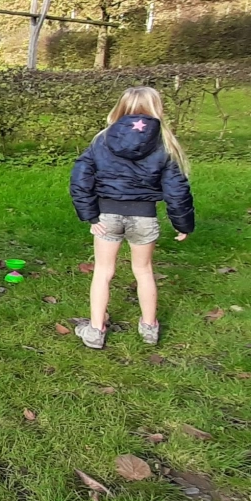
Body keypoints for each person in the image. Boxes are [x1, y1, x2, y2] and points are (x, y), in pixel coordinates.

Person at [69, 86, 195, 349]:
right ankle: (149, 329)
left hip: (107, 215)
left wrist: (91, 215)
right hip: (144, 217)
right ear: (156, 108)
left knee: (103, 272)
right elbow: (176, 188)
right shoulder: (165, 142)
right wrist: (182, 223)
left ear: (121, 107)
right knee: (144, 271)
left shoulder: (101, 139)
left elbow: (80, 179)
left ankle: (95, 331)